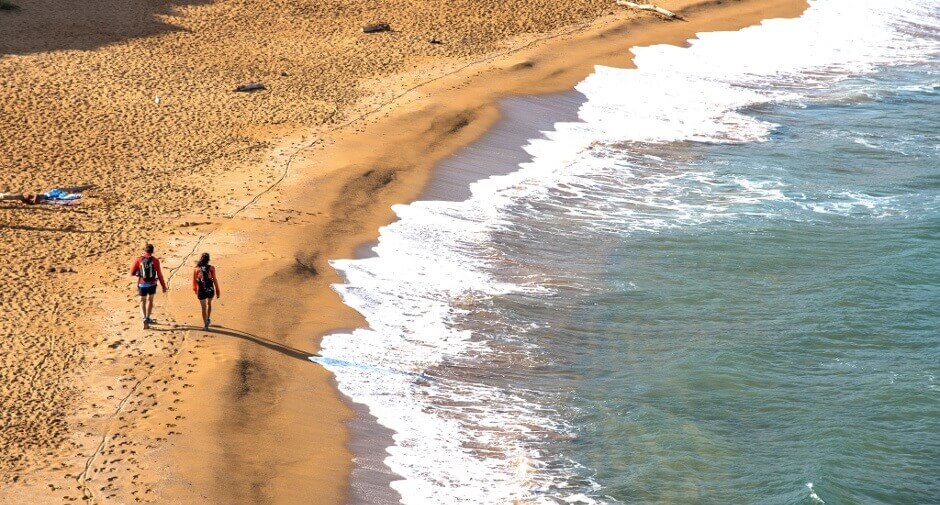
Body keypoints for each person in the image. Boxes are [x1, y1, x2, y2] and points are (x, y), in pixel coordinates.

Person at [130, 244, 168, 329]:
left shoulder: (139, 259)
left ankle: (144, 318)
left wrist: (138, 273)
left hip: (142, 284)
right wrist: (163, 286)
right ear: (152, 251)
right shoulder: (155, 260)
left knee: (142, 301)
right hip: (152, 284)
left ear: (145, 251)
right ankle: (148, 317)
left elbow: (132, 272)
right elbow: (159, 274)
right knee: (150, 300)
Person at [192, 253, 220, 331]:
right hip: (210, 290)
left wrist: (195, 289)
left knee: (203, 308)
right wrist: (217, 290)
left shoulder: (196, 269)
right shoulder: (211, 268)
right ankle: (208, 318)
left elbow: (194, 281)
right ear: (208, 260)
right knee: (209, 304)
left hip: (201, 291)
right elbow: (214, 279)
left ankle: (205, 325)